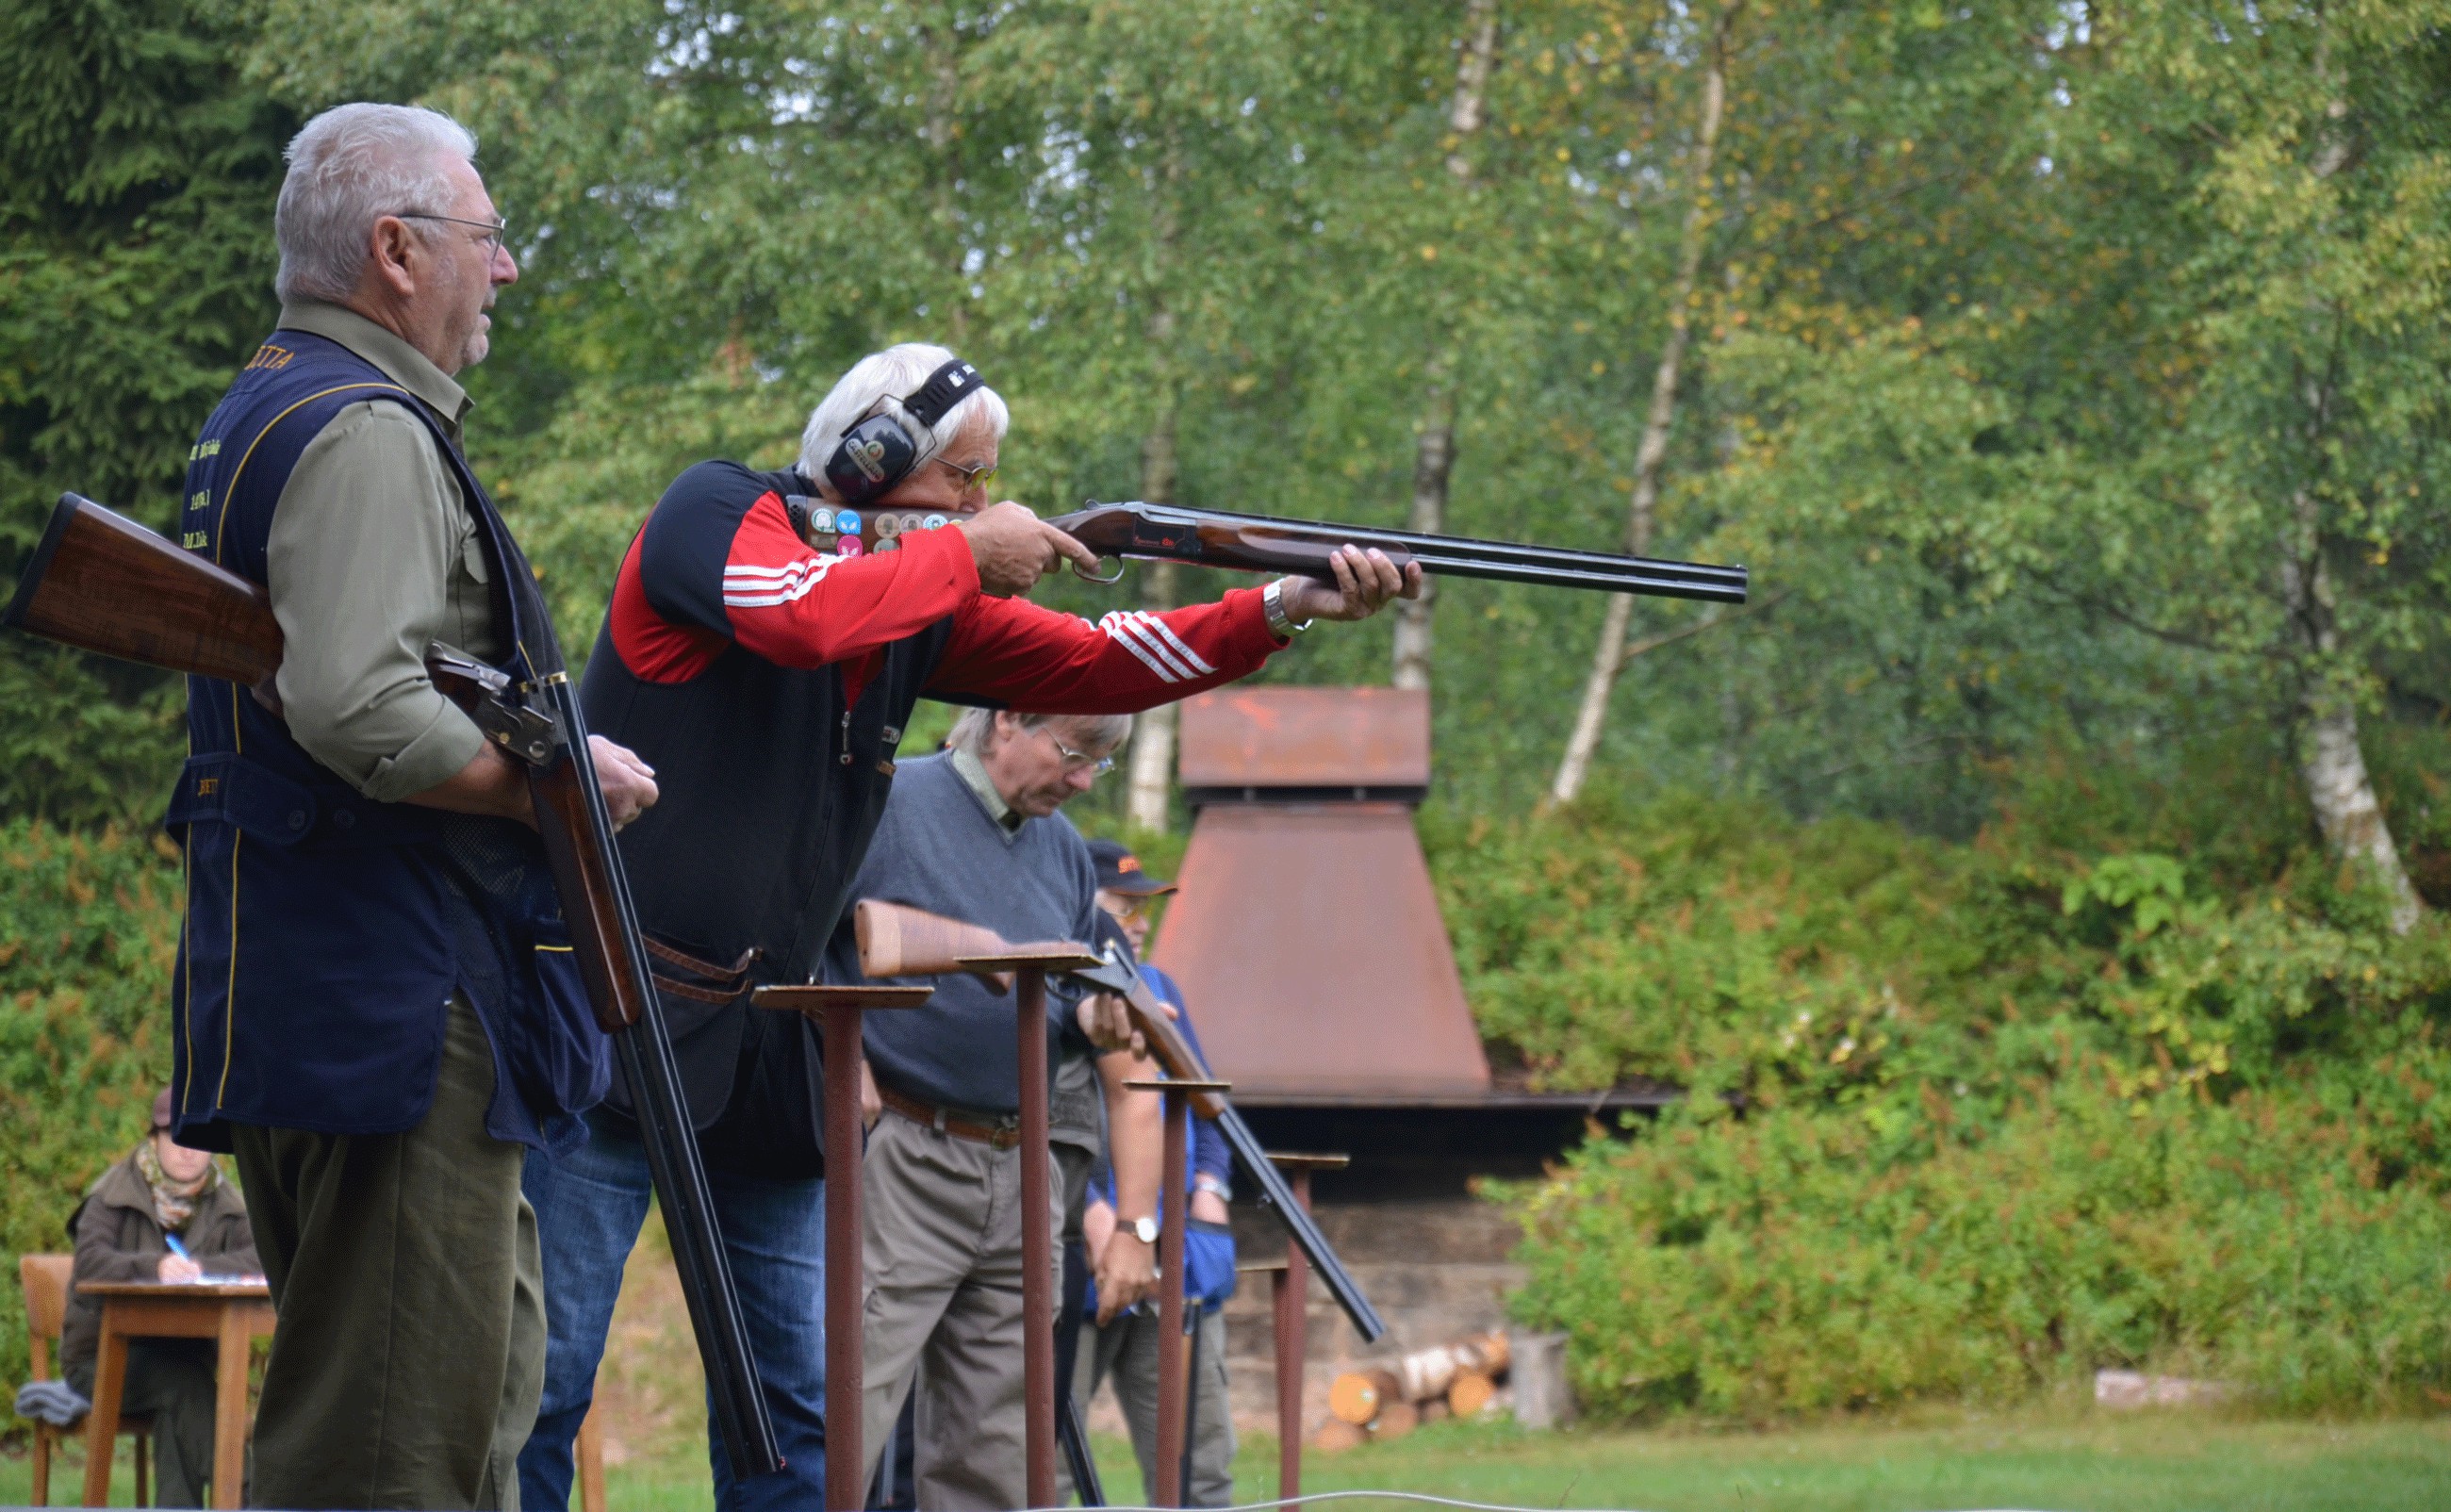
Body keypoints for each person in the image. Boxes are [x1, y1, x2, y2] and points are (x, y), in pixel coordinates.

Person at [518, 340, 1419, 1511]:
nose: (983, 506)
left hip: (772, 1053)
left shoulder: (911, 608)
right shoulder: (715, 511)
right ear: (871, 456)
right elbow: (798, 614)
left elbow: (1101, 664)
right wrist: (960, 554)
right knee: (546, 1386)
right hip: (616, 1021)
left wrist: (1280, 604)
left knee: (802, 1412)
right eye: (964, 478)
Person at [163, 102, 658, 1510]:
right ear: (395, 250)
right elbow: (359, 707)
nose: (503, 270)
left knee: (431, 1412)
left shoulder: (266, 409)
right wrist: (551, 784)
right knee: (395, 1450)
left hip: (332, 981)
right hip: (398, 998)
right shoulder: (367, 432)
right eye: (487, 238)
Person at [1073, 842, 1241, 1506]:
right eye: (1124, 906)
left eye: (1143, 907)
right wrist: (1085, 1209)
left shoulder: (1161, 989)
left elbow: (1209, 1103)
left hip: (1174, 1259)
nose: (1138, 922)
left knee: (1200, 1469)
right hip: (1078, 1262)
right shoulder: (1052, 987)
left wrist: (1210, 1193)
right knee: (1047, 1470)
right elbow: (1036, 1115)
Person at [59, 1090, 260, 1508]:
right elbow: (90, 1262)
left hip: (185, 1357)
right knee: (186, 1385)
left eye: (199, 1140)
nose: (189, 1151)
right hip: (100, 1359)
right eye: (176, 1137)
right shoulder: (113, 1194)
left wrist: (200, 1269)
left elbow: (262, 1256)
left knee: (182, 1393)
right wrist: (156, 1267)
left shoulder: (227, 1201)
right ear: (154, 1139)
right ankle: (250, 1495)